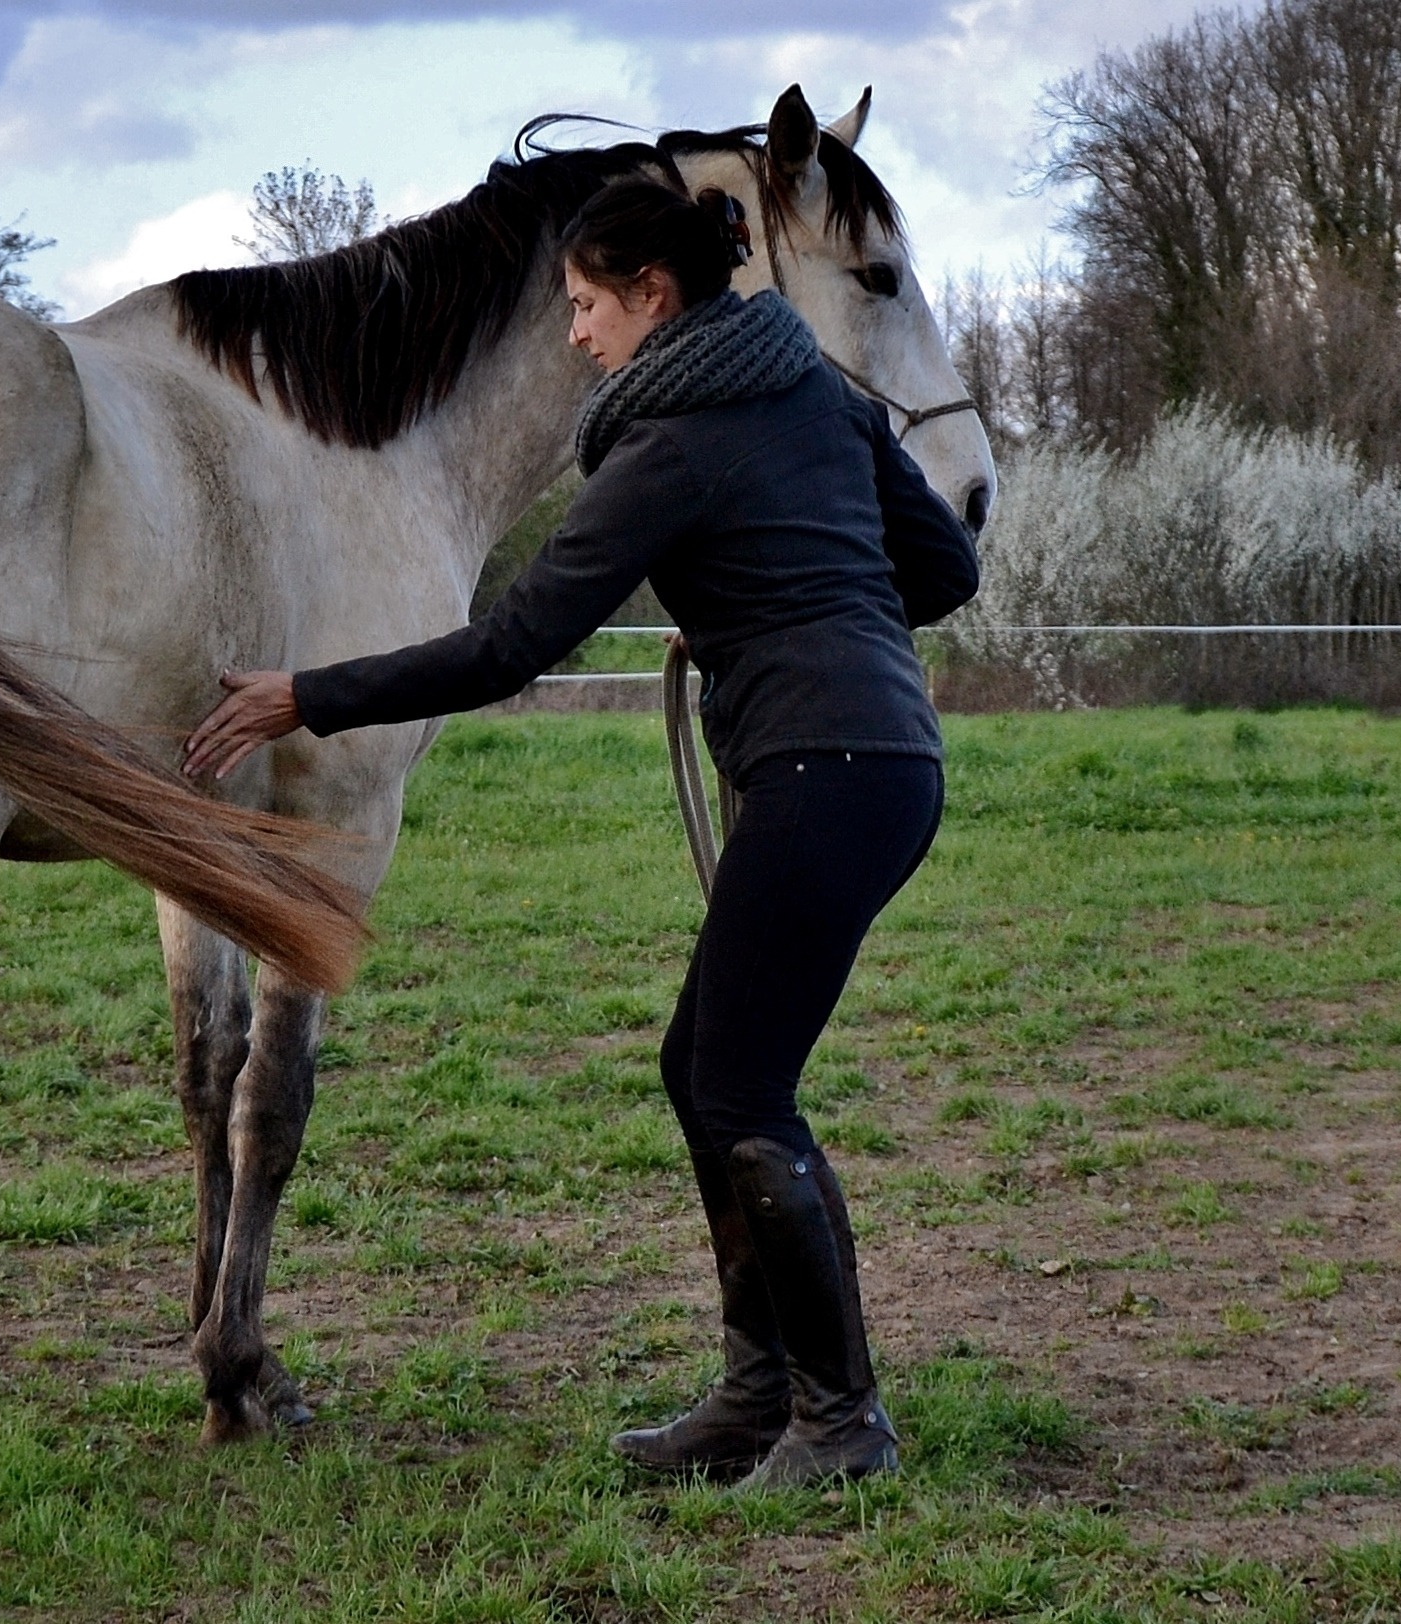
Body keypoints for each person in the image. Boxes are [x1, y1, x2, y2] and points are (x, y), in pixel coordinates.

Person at [183, 175, 979, 1488]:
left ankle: (842, 1425)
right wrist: (782, 599)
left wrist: (303, 693)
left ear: (652, 298)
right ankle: (758, 1394)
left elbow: (513, 643)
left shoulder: (666, 445)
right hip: (881, 762)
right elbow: (945, 571)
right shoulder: (818, 396)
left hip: (820, 767)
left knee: (740, 1088)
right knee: (703, 1073)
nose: (573, 334)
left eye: (586, 304)